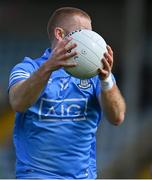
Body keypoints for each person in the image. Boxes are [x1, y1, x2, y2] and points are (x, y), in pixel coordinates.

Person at [8, 7, 126, 179]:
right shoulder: (27, 69)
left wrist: (106, 79)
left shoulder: (96, 76)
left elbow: (117, 117)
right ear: (60, 34)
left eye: (91, 34)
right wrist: (48, 67)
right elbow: (18, 102)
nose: (91, 40)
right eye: (83, 33)